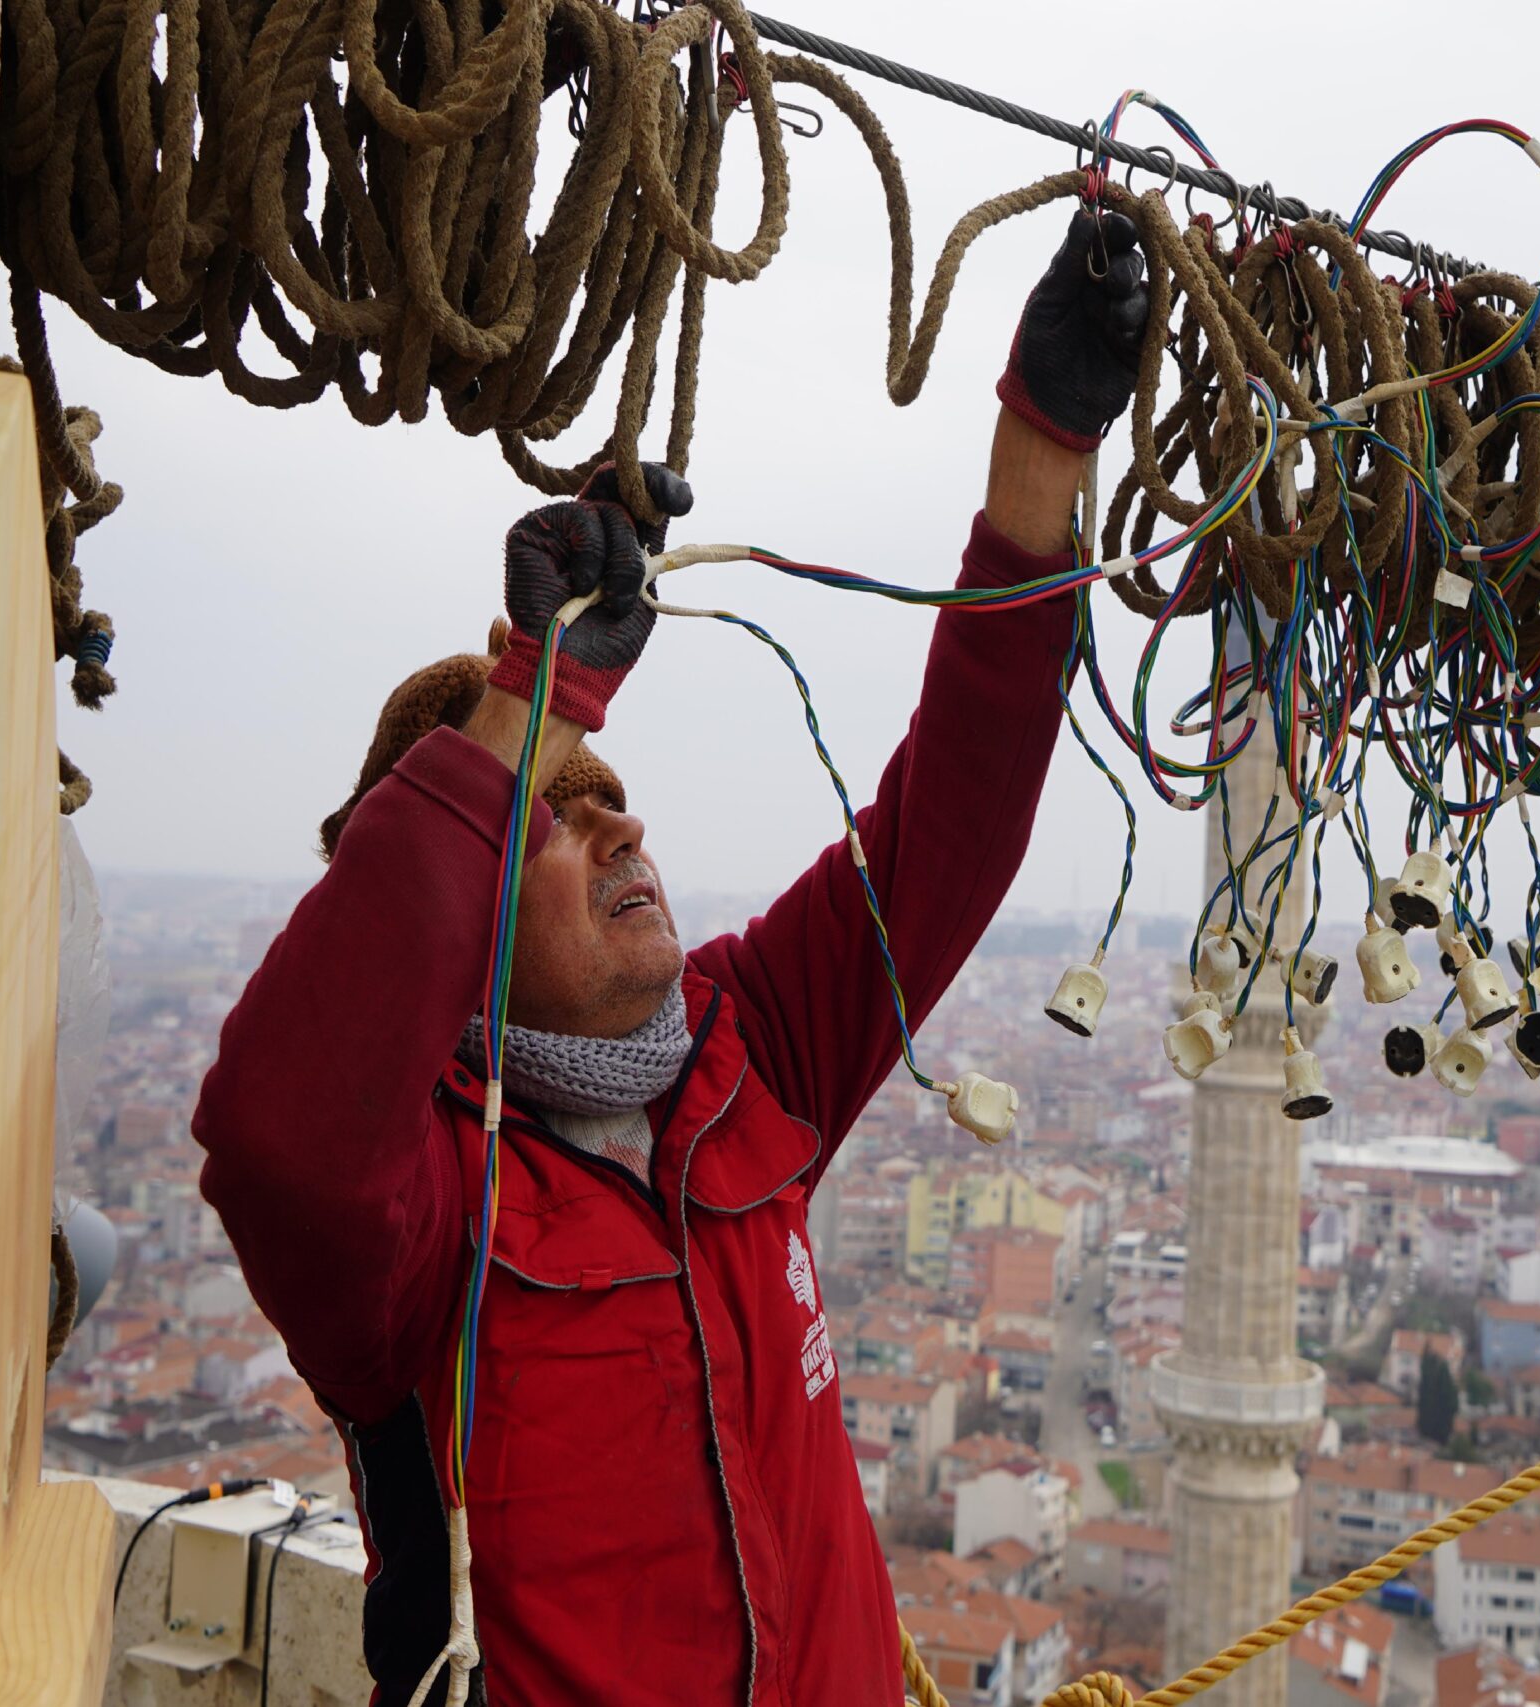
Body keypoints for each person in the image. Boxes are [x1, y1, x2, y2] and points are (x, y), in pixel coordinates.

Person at [192, 206, 1149, 1706]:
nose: (621, 824)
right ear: (457, 918)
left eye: (613, 794)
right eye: (559, 817)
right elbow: (279, 1137)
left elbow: (949, 826)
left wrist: (1046, 448)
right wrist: (535, 695)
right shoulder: (419, 1213)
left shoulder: (744, 1048)